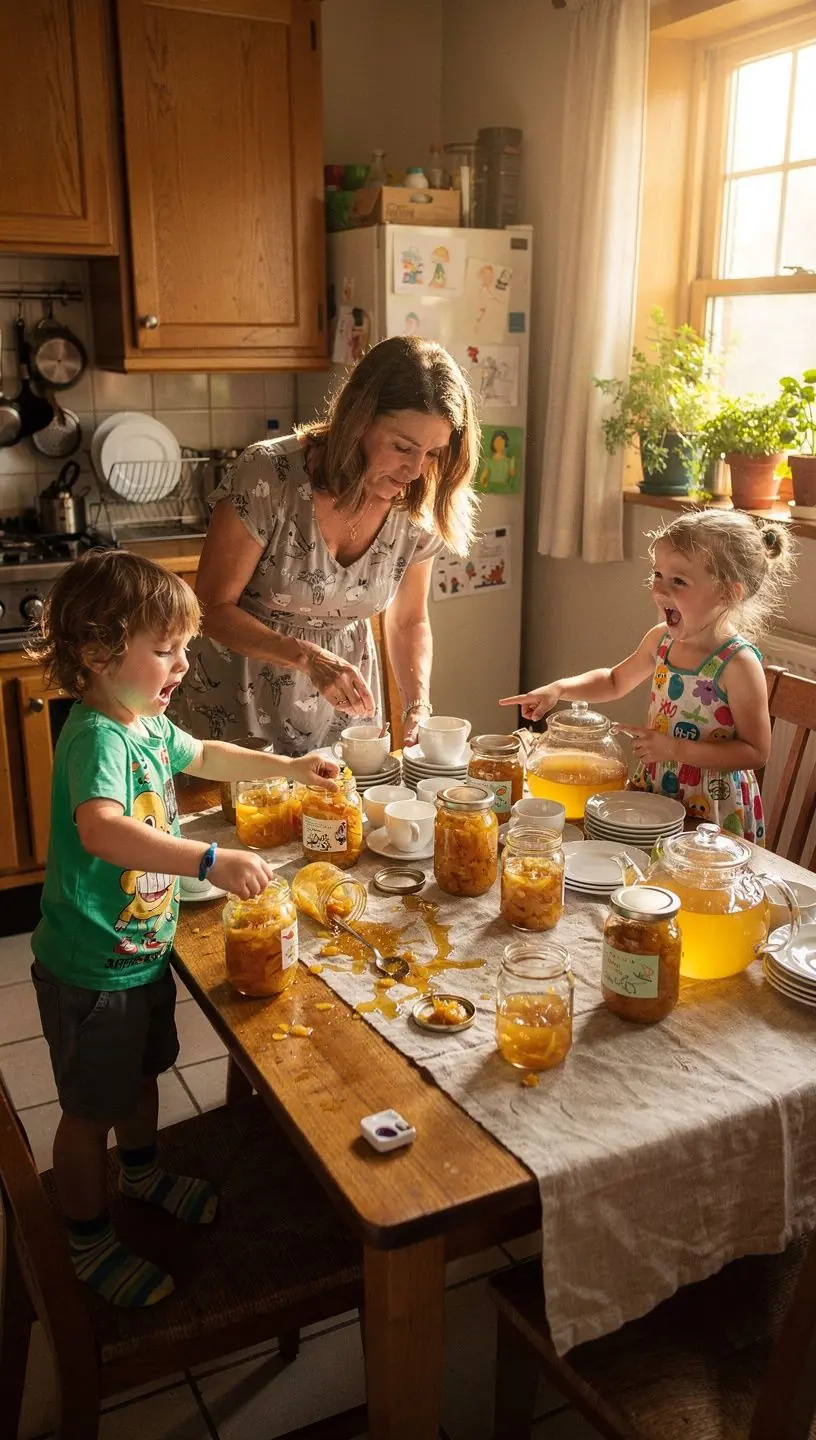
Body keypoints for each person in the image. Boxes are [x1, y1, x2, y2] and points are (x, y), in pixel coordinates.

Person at [27, 551, 338, 1308]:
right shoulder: (98, 737)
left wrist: (289, 769)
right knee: (88, 1112)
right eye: (165, 650)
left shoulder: (143, 724)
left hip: (139, 954)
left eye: (184, 647)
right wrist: (207, 857)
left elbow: (205, 754)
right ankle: (88, 1238)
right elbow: (102, 831)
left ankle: (140, 1174)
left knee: (140, 1077)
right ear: (100, 653)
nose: (181, 663)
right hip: (92, 968)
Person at [178, 336, 479, 751]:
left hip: (343, 723)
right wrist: (309, 658)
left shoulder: (416, 502)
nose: (415, 469)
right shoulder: (269, 474)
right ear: (359, 419)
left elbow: (409, 620)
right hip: (238, 713)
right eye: (402, 447)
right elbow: (210, 609)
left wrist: (418, 705)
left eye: (433, 453)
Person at [501, 511, 796, 841]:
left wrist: (676, 750)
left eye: (678, 581)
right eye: (657, 574)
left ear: (729, 593)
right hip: (656, 790)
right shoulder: (661, 640)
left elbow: (756, 752)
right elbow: (614, 680)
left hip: (712, 811)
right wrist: (559, 689)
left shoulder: (737, 664)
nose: (660, 589)